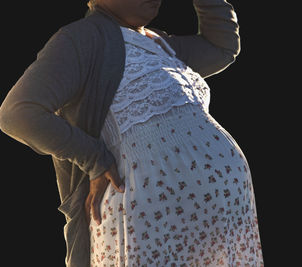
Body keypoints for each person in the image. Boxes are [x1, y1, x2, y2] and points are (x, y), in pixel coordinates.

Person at [0, 0, 264, 266]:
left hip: (216, 231)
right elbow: (18, 113)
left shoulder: (159, 43)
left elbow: (222, 47)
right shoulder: (83, 39)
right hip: (149, 231)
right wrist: (94, 158)